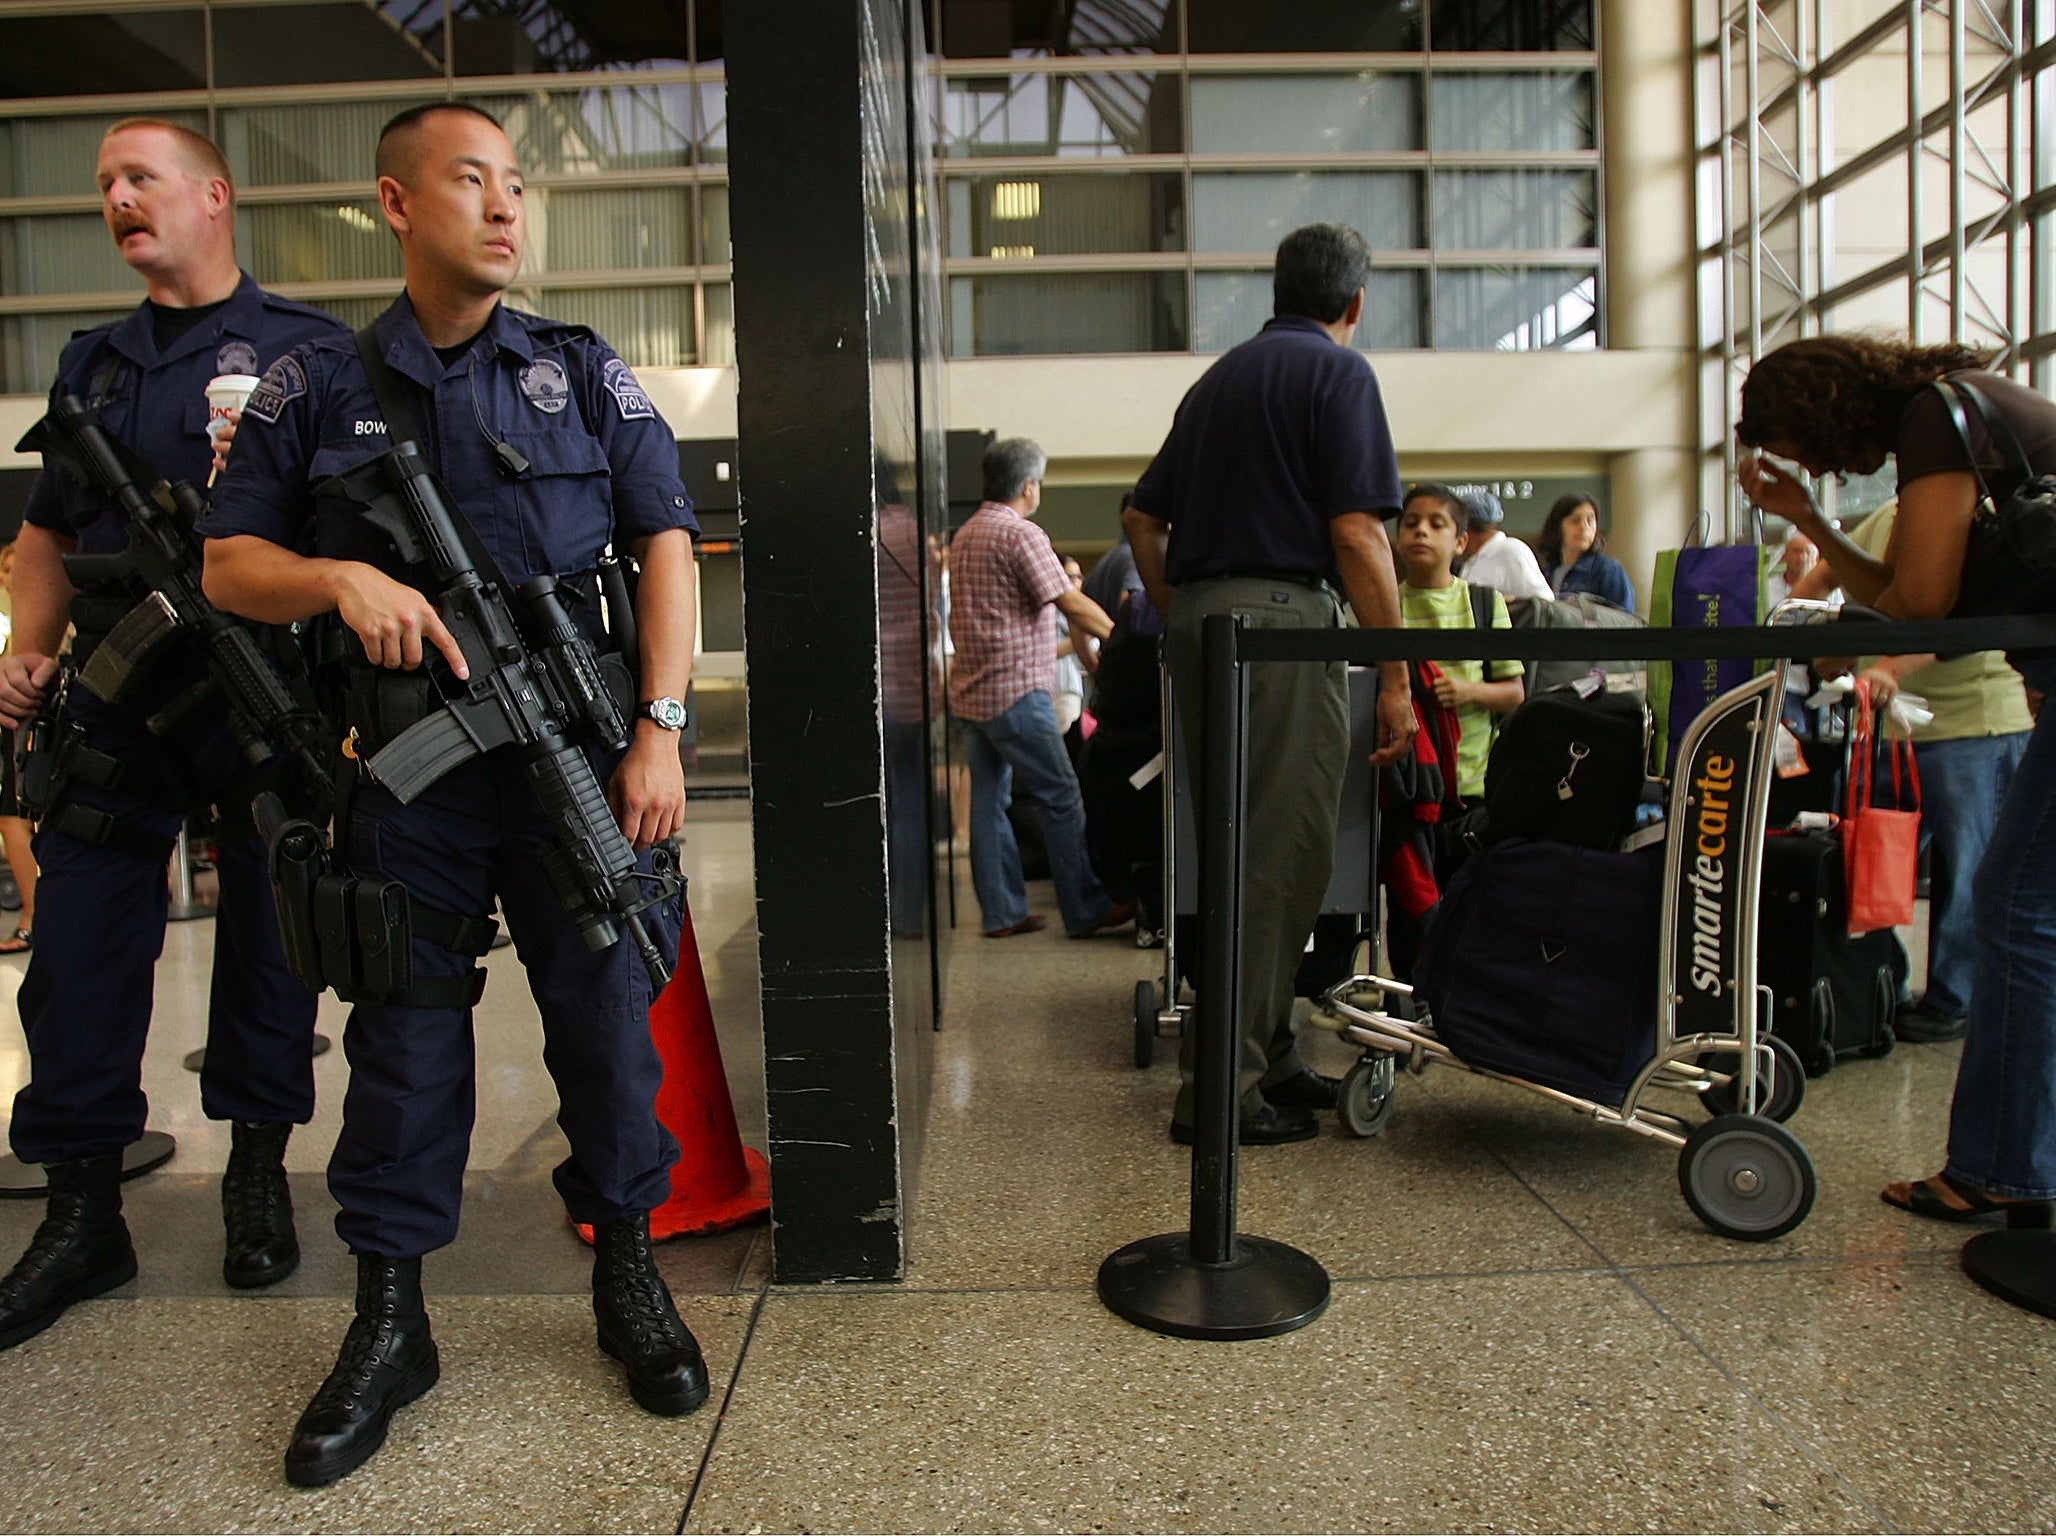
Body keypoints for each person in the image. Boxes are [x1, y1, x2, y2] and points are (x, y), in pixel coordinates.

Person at [199, 102, 706, 1486]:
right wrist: (339, 579)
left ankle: (630, 1274)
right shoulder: (313, 383)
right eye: (472, 180)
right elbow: (225, 567)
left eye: (518, 184)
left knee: (606, 1027)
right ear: (395, 202)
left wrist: (658, 730)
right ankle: (389, 1319)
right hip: (409, 782)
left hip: (577, 761)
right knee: (403, 1049)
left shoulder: (579, 372)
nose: (505, 206)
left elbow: (670, 545)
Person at [0, 118, 345, 1357]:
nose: (115, 199)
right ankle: (84, 1209)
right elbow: (44, 533)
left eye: (139, 177)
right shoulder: (91, 365)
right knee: (82, 945)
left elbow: (352, 527)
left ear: (214, 195)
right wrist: (23, 649)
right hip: (114, 689)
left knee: (268, 934)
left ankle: (257, 1168)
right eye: (101, 184)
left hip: (253, 688)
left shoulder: (309, 353)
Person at [1736, 333, 2056, 1226]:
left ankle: (2007, 1169)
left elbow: (1923, 601)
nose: (1828, 466)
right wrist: (1807, 519)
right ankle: (2014, 1162)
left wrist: (1846, 632)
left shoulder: (1936, 417)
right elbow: (1905, 587)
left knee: (2019, 907)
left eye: (1810, 450)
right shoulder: (1959, 406)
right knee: (2025, 904)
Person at [1126, 222, 1414, 1147]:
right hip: (1284, 627)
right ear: (1355, 304)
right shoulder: (1340, 374)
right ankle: (1220, 1092)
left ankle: (1271, 1052)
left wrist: (1186, 611)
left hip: (1210, 629)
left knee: (1254, 854)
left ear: (1277, 289)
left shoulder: (1217, 382)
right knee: (1276, 855)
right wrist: (1398, 673)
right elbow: (1360, 536)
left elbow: (1141, 516)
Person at [1801, 501, 2032, 1042]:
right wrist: (1815, 635)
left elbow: (1954, 614)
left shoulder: (1976, 516)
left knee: (1968, 869)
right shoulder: (1889, 512)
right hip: (1892, 723)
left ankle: (1956, 998)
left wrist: (1886, 664)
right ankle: (1884, 983)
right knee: (1868, 862)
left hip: (1972, 723)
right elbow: (1833, 569)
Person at [948, 437, 1128, 941]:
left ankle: (1003, 913)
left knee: (989, 801)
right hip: (1015, 693)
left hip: (972, 693)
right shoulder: (1020, 534)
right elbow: (1068, 601)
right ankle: (1085, 907)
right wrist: (1120, 635)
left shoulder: (965, 535)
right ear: (1029, 486)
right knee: (1062, 795)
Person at [1396, 484, 1526, 802]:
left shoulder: (1484, 603)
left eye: (1436, 524)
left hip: (1475, 784)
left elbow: (1514, 693)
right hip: (1407, 782)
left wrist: (1469, 691)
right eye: (1411, 523)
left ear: (1460, 542)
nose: (1421, 532)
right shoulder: (1385, 606)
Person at [0, 539, 38, 955]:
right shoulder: (6, 621)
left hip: (26, 725)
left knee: (13, 820)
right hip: (13, 726)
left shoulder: (39, 621)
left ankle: (32, 917)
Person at [1537, 492, 1634, 610]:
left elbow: (1624, 620)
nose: (1584, 527)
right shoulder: (1546, 573)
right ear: (1557, 526)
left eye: (1590, 520)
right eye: (1575, 520)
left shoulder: (1607, 569)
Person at [1454, 486, 1551, 602]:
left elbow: (1544, 600)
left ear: (1465, 527)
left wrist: (1500, 603)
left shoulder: (1511, 550)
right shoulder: (1472, 562)